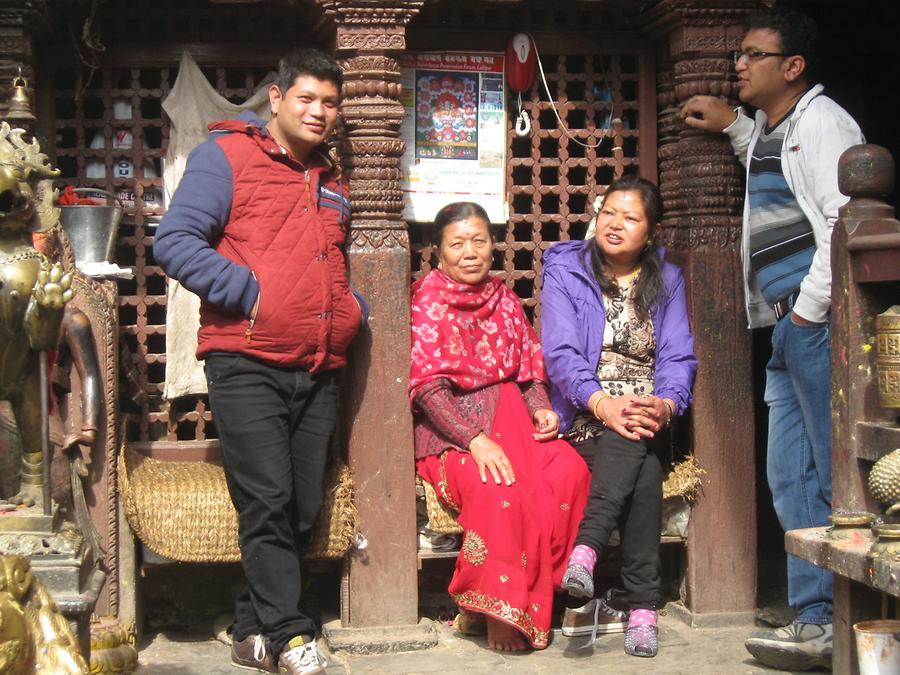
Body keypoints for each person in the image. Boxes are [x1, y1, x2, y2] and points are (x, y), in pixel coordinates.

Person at [154, 48, 366, 675]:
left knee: (301, 504)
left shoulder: (330, 178)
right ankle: (293, 635)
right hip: (246, 361)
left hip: (318, 362)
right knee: (267, 497)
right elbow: (175, 242)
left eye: (330, 103)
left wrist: (347, 309)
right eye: (307, 99)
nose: (319, 112)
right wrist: (252, 294)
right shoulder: (226, 156)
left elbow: (328, 261)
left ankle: (250, 626)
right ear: (276, 99)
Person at [680, 7, 863, 671]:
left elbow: (845, 219)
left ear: (792, 67)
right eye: (740, 53)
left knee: (833, 467)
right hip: (785, 325)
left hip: (812, 321)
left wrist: (811, 312)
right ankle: (813, 619)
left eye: (754, 55)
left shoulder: (823, 122)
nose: (739, 64)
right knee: (789, 475)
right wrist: (731, 124)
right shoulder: (777, 129)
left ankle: (850, 616)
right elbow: (761, 154)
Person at [410, 201, 591, 652]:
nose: (469, 252)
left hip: (513, 419)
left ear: (493, 246)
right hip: (452, 433)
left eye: (479, 240)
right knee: (501, 494)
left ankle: (544, 588)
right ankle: (495, 608)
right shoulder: (428, 301)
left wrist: (541, 409)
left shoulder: (505, 298)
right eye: (457, 243)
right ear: (438, 251)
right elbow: (428, 389)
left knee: (570, 473)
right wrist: (475, 440)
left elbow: (526, 373)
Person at [540, 175, 697, 658]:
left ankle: (587, 554)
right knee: (644, 467)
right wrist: (605, 404)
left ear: (650, 232)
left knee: (636, 440)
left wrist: (667, 403)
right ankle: (643, 608)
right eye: (608, 212)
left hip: (646, 415)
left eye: (630, 218)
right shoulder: (565, 269)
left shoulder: (666, 279)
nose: (615, 224)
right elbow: (561, 353)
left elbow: (677, 356)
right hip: (585, 411)